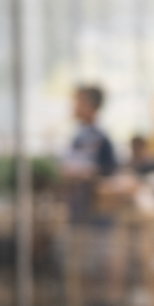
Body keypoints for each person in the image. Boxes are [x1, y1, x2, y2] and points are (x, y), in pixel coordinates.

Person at [61, 84, 116, 223]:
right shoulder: (79, 137)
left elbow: (109, 171)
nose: (74, 105)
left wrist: (87, 173)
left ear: (90, 105)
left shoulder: (100, 139)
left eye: (77, 101)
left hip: (94, 212)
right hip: (77, 207)